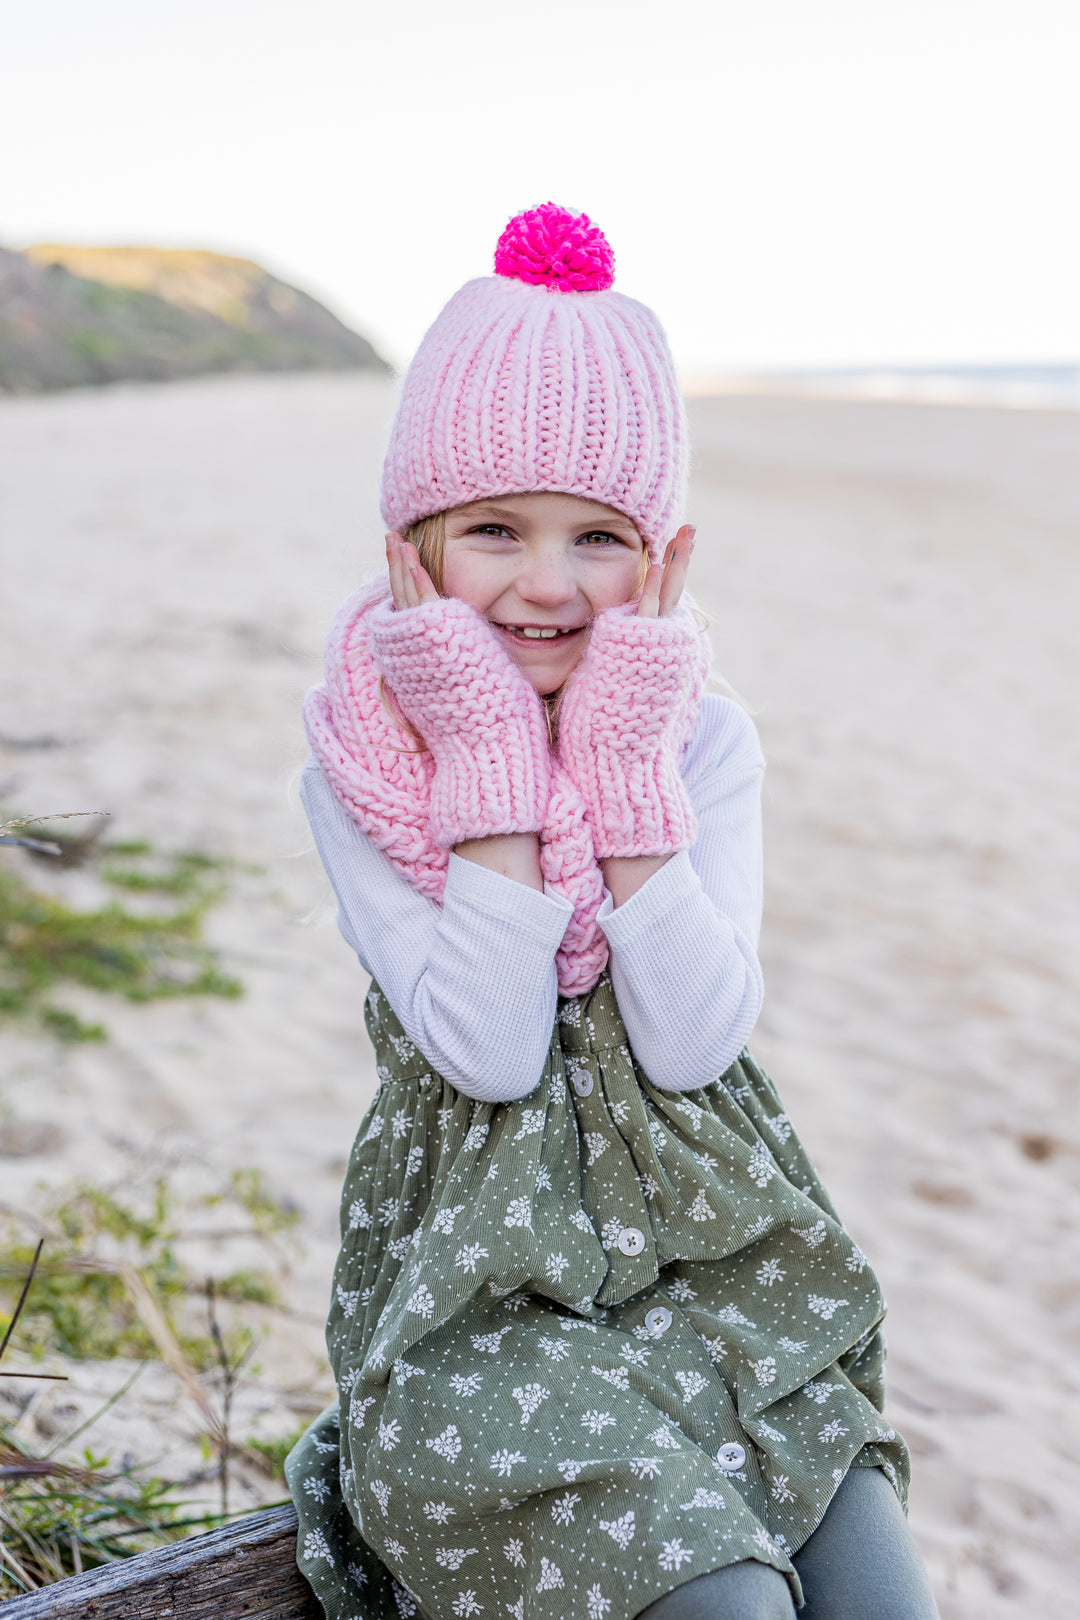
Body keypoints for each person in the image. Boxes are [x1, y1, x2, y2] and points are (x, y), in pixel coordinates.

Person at [286, 204, 939, 1620]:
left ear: (663, 557)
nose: (544, 582)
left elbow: (698, 1043)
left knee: (881, 1599)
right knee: (727, 1609)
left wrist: (629, 772)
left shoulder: (702, 740)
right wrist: (492, 771)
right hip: (489, 1292)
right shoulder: (362, 765)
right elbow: (494, 1050)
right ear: (412, 545)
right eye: (493, 532)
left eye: (598, 538)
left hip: (716, 1248)